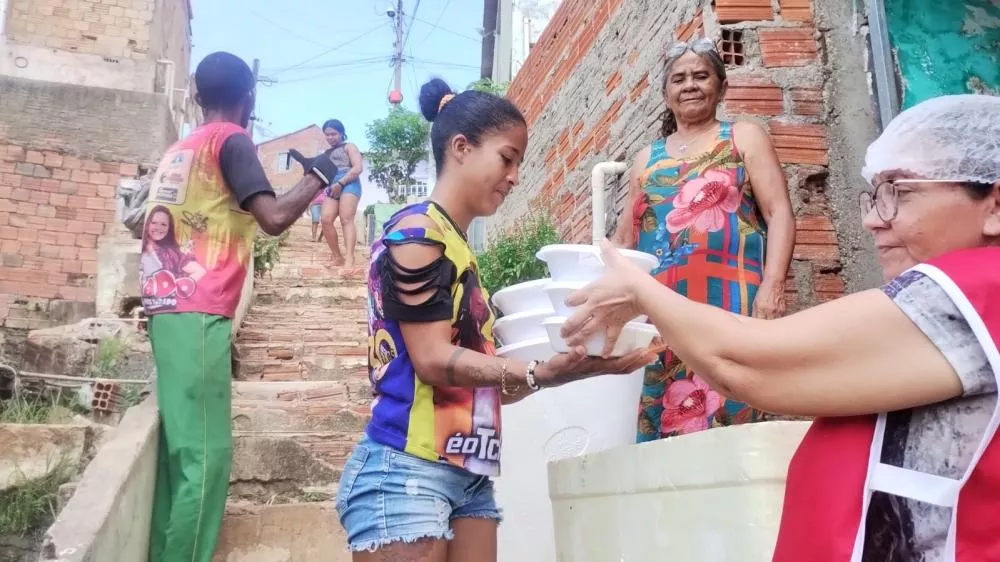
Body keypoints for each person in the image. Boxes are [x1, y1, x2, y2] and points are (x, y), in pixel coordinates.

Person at [561, 94, 1000, 561]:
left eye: (901, 192)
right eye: (876, 195)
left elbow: (749, 365)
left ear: (994, 206)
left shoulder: (983, 289)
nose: (873, 219)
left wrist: (641, 290)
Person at [335, 78, 655, 562]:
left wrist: (574, 368)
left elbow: (480, 381)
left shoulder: (458, 245)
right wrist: (536, 371)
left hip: (469, 474)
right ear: (460, 148)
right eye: (508, 158)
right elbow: (433, 361)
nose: (515, 176)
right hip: (406, 470)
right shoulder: (418, 233)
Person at [141, 51, 340, 562]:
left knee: (180, 458)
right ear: (248, 99)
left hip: (166, 311)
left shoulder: (179, 150)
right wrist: (318, 177)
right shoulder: (232, 140)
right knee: (206, 460)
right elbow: (272, 218)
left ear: (198, 94)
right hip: (199, 309)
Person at [611, 37, 795, 442]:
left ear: (722, 86)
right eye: (679, 79)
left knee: (734, 399)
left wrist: (773, 285)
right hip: (662, 308)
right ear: (665, 94)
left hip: (733, 297)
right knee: (664, 410)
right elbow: (626, 236)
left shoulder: (743, 136)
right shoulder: (646, 158)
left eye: (701, 75)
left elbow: (779, 212)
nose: (690, 85)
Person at [292, 119, 364, 269]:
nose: (330, 137)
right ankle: (338, 257)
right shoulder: (325, 154)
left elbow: (357, 168)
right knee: (325, 219)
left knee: (346, 219)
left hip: (349, 182)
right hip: (332, 185)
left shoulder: (349, 147)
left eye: (334, 134)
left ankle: (350, 258)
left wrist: (341, 183)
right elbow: (321, 178)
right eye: (327, 135)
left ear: (342, 133)